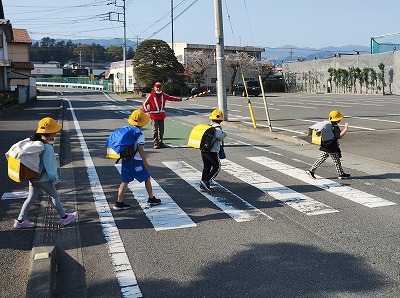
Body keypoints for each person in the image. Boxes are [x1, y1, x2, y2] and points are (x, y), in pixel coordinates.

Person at [13, 117, 77, 229]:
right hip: (43, 179)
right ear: (52, 133)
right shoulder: (47, 147)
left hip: (32, 177)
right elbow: (50, 166)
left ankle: (20, 220)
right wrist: (56, 180)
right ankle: (64, 217)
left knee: (30, 198)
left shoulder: (34, 143)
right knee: (55, 196)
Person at [114, 109, 161, 210]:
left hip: (126, 159)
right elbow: (140, 148)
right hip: (136, 161)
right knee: (147, 177)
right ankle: (151, 198)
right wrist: (145, 162)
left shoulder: (126, 129)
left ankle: (119, 202)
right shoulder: (139, 133)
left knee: (125, 181)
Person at [307, 110, 350, 180]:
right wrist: (346, 129)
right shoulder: (335, 126)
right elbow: (339, 136)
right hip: (331, 147)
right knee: (334, 160)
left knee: (326, 159)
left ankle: (341, 173)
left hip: (327, 145)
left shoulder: (329, 124)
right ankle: (311, 171)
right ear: (338, 119)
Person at [142, 81, 183, 149]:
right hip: (154, 116)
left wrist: (181, 99)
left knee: (162, 130)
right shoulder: (151, 95)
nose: (158, 88)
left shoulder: (163, 95)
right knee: (155, 130)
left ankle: (161, 142)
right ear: (154, 88)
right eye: (157, 87)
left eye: (159, 87)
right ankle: (156, 143)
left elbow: (171, 98)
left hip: (161, 115)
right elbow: (144, 103)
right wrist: (146, 111)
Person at [200, 109, 227, 192]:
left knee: (207, 166)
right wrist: (224, 134)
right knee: (216, 167)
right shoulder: (217, 128)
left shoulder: (209, 127)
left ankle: (203, 182)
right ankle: (206, 181)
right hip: (212, 151)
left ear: (211, 119)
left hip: (204, 150)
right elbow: (220, 136)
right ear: (221, 120)